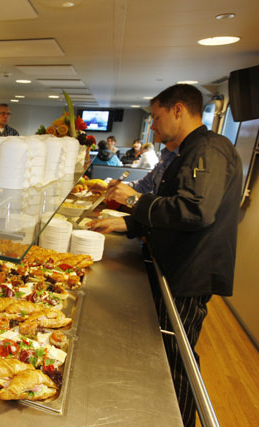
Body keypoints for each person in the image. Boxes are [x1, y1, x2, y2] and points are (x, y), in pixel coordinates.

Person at [90, 84, 242, 427]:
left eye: (156, 118)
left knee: (177, 356)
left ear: (178, 110)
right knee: (164, 351)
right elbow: (168, 209)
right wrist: (127, 225)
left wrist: (132, 201)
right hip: (175, 263)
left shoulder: (208, 150)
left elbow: (194, 211)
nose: (153, 127)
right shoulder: (187, 151)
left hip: (190, 271)